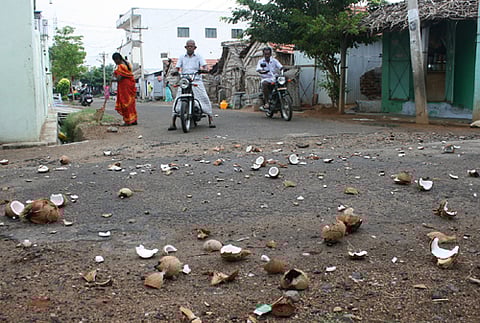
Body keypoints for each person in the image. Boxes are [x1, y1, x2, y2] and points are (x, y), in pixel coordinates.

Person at [168, 39, 215, 130]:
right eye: (188, 46)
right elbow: (177, 67)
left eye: (191, 46)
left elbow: (204, 66)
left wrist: (204, 70)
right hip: (185, 81)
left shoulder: (199, 57)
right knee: (178, 99)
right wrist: (175, 72)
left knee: (204, 98)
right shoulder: (182, 57)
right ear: (185, 47)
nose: (190, 48)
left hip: (196, 80)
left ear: (194, 48)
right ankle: (173, 122)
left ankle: (210, 118)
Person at [112, 52, 137, 126]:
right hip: (130, 85)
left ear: (117, 59)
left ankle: (128, 120)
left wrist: (114, 76)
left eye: (115, 60)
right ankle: (134, 119)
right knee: (131, 103)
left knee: (125, 103)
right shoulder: (128, 64)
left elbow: (119, 78)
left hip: (124, 87)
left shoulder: (121, 67)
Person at [256, 47, 283, 111]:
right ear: (263, 54)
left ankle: (282, 98)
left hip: (274, 78)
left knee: (284, 81)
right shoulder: (261, 61)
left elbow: (280, 66)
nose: (267, 55)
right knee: (264, 84)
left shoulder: (274, 60)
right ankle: (267, 102)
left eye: (268, 54)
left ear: (270, 54)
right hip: (266, 78)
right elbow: (258, 69)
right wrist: (263, 71)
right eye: (266, 54)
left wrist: (282, 69)